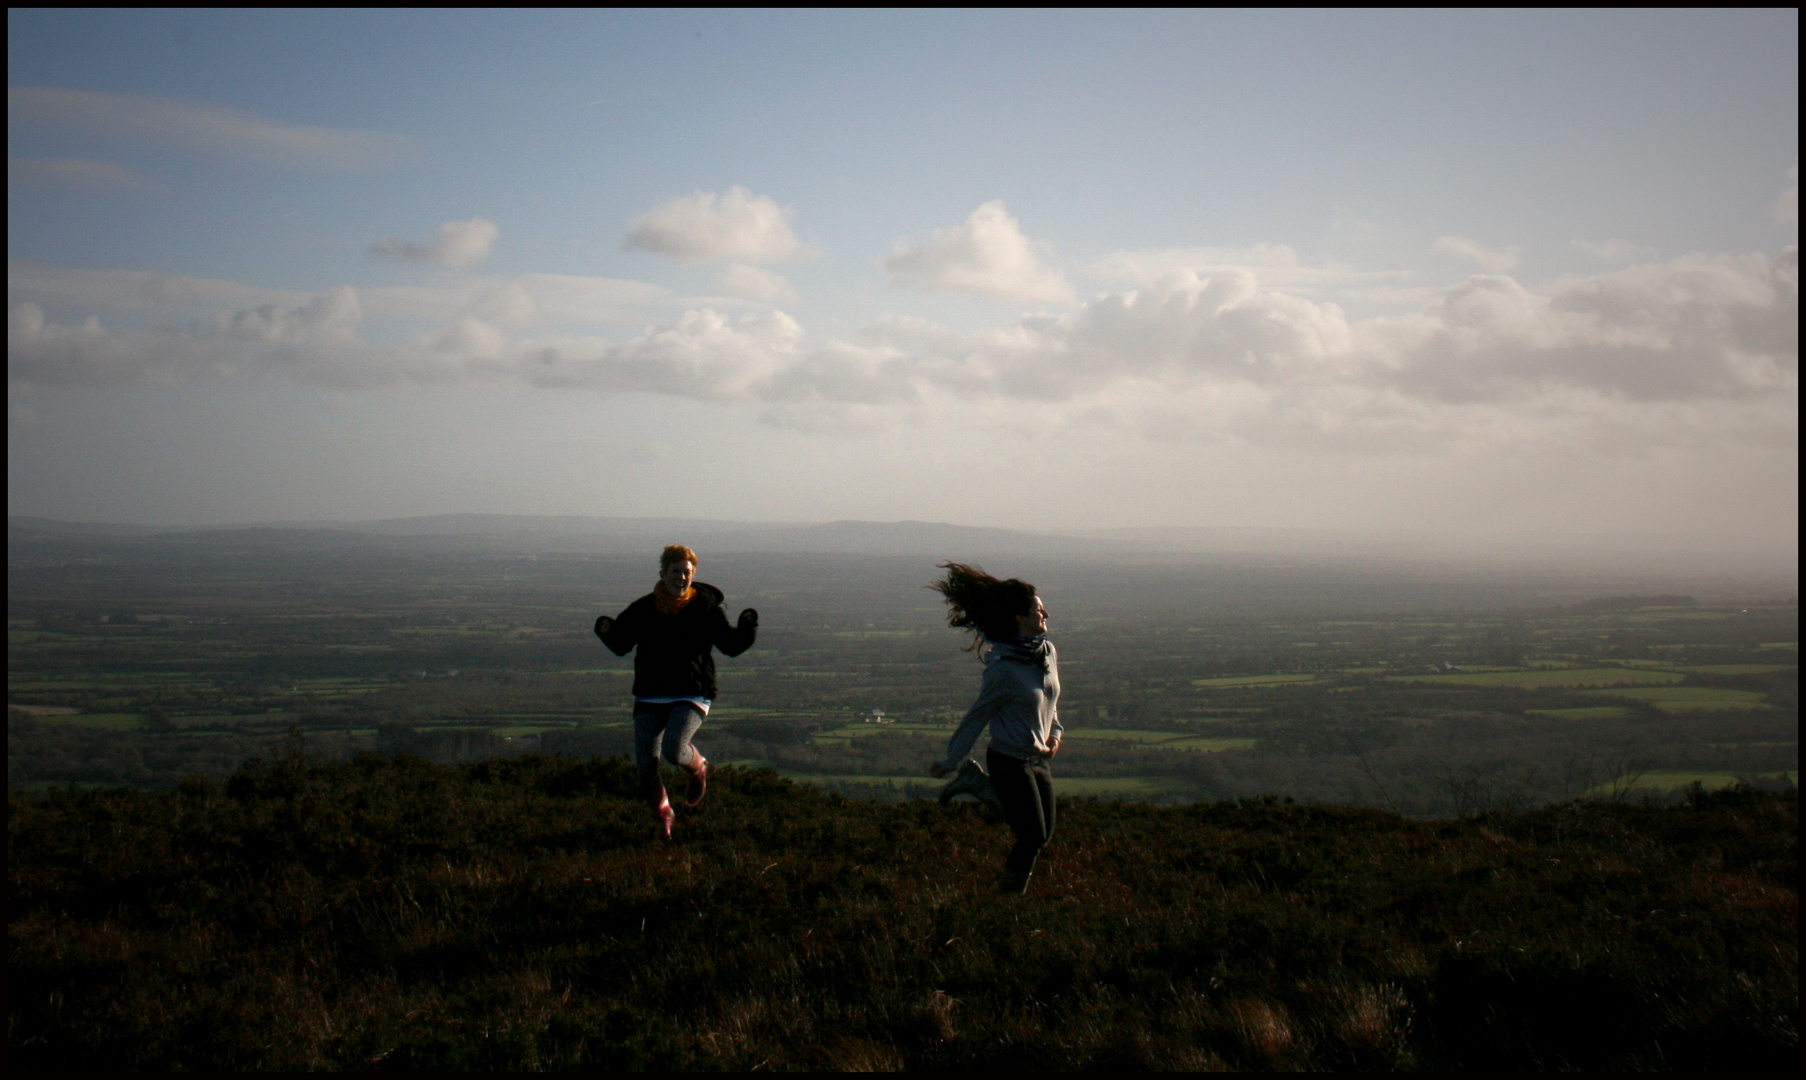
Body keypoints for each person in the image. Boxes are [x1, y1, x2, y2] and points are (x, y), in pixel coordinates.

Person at [595, 544, 758, 841]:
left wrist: (747, 627)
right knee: (645, 767)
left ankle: (698, 769)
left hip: (691, 691)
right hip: (650, 693)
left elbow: (731, 646)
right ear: (662, 573)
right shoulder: (644, 608)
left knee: (673, 749)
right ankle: (664, 815)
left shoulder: (705, 607)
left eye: (687, 572)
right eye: (676, 572)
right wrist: (604, 630)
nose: (681, 578)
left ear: (694, 575)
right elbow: (621, 644)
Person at [927, 562, 1062, 894]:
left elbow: (1050, 702)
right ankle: (1006, 903)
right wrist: (951, 760)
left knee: (1042, 835)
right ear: (1020, 617)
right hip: (1009, 761)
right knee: (1030, 837)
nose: (1045, 615)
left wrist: (1055, 734)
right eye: (1038, 610)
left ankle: (981, 787)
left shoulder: (1046, 654)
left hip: (1039, 758)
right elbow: (977, 716)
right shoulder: (1002, 669)